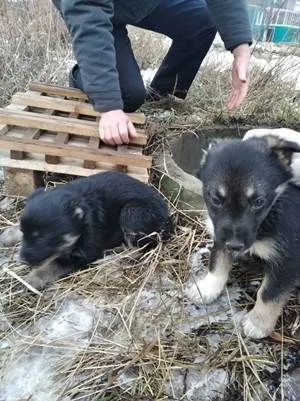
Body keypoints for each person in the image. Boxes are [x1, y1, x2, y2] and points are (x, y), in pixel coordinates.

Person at [52, 0, 252, 145]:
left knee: (202, 18)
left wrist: (240, 50)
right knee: (127, 96)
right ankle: (84, 75)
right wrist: (108, 103)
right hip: (88, 8)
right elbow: (87, 13)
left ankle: (161, 97)